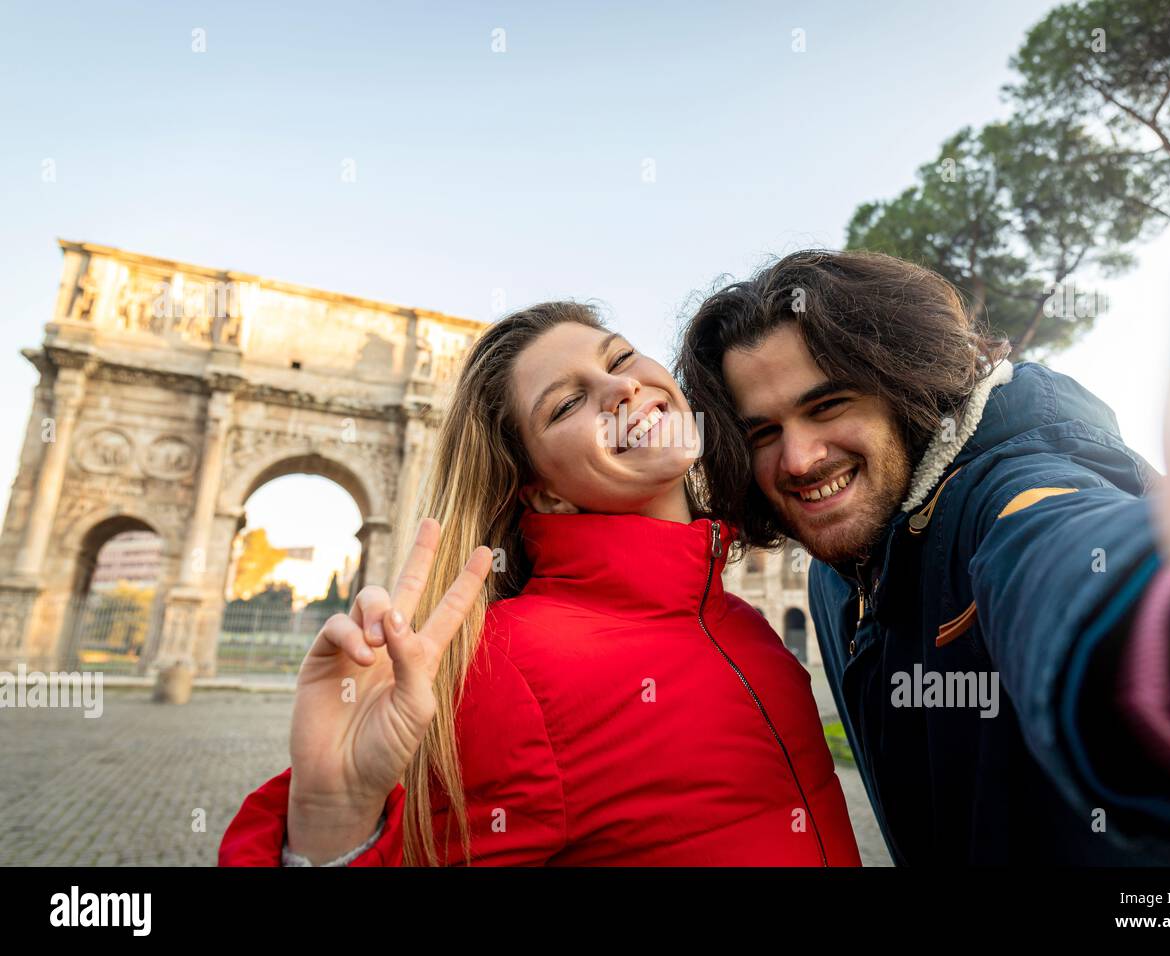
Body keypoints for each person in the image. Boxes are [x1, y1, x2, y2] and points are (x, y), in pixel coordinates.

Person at [675, 2, 1170, 863]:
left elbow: (1072, 570)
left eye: (829, 406)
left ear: (902, 386)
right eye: (763, 431)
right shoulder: (837, 569)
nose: (800, 457)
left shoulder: (1007, 486)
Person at [219, 302, 862, 866]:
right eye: (566, 403)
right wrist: (333, 820)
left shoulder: (740, 623)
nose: (620, 388)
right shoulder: (502, 667)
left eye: (621, 357)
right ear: (543, 492)